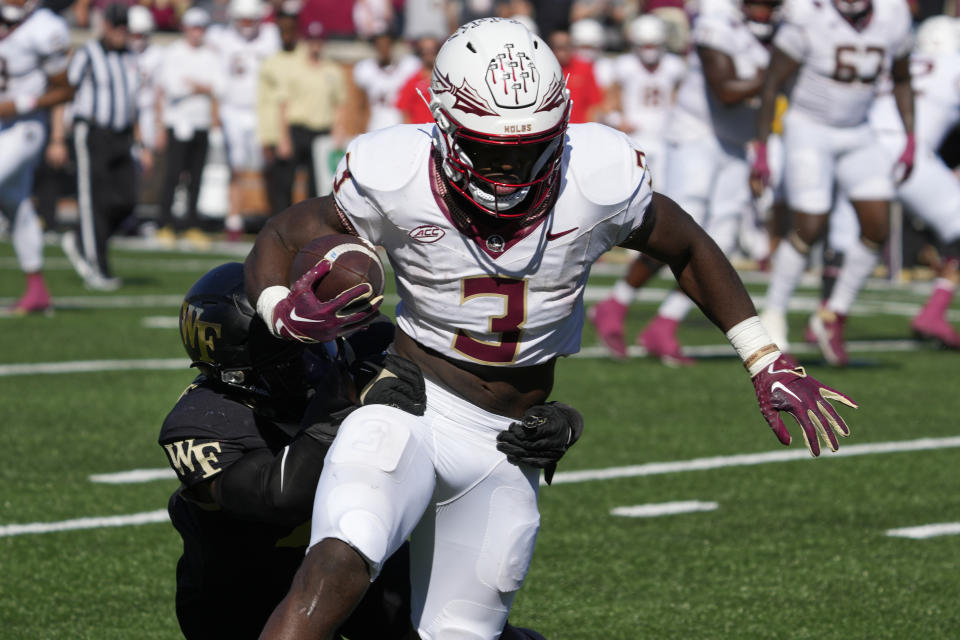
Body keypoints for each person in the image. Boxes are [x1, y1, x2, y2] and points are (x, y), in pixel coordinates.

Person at [244, 18, 858, 639]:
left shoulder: (595, 175)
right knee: (334, 569)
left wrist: (762, 356)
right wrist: (276, 308)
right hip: (408, 405)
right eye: (488, 145)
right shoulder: (396, 174)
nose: (510, 165)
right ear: (445, 126)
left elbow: (689, 245)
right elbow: (280, 231)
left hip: (511, 444)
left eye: (530, 144)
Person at [161, 261, 561, 639]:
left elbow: (463, 387)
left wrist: (536, 416)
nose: (315, 359)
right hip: (242, 592)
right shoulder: (201, 422)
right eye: (292, 356)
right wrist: (339, 407)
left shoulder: (360, 346)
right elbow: (280, 496)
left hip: (355, 560)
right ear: (235, 372)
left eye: (316, 343)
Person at [589, 0, 782, 362]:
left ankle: (665, 323)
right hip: (697, 135)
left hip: (737, 141)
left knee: (720, 241)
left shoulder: (788, 28)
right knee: (678, 228)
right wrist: (784, 69)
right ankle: (616, 303)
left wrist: (762, 145)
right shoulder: (718, 20)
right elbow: (725, 89)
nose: (763, 9)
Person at [751, 0, 915, 365]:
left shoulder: (893, 14)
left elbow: (903, 76)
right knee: (810, 223)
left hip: (858, 130)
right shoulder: (808, 14)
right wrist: (761, 146)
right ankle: (774, 312)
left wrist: (911, 137)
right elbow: (773, 82)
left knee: (877, 224)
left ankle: (833, 315)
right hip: (808, 127)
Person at [61, 3, 150, 292]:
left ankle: (78, 240)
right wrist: (55, 136)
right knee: (94, 203)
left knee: (126, 201)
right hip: (93, 132)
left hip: (122, 135)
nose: (122, 33)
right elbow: (63, 91)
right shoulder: (88, 53)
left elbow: (134, 102)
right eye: (118, 27)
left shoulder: (129, 58)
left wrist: (141, 141)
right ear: (106, 26)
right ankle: (96, 267)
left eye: (126, 28)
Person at [0, 0, 72, 314]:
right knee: (15, 203)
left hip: (24, 127)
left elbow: (65, 90)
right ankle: (37, 291)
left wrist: (20, 104)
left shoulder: (45, 27)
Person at [257, 12, 348, 214]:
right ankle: (282, 224)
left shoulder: (333, 71)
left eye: (319, 40)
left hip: (321, 131)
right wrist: (283, 137)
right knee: (285, 181)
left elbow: (339, 104)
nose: (315, 45)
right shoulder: (294, 68)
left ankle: (313, 227)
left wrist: (338, 130)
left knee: (317, 186)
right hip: (296, 129)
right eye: (312, 40)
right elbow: (282, 104)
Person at [206, 0, 280, 240]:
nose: (247, 25)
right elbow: (217, 77)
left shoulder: (270, 36)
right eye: (243, 20)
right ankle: (234, 219)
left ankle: (271, 217)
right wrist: (216, 111)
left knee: (267, 163)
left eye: (251, 19)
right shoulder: (222, 37)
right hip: (233, 110)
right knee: (235, 167)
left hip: (261, 110)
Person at [155, 7, 224, 249]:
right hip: (179, 123)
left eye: (201, 28)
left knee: (196, 176)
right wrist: (202, 87)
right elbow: (173, 87)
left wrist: (195, 86)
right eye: (194, 27)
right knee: (173, 175)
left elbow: (220, 85)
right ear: (185, 28)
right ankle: (165, 223)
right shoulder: (173, 52)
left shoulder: (211, 55)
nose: (198, 33)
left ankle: (191, 224)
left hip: (200, 122)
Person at [352, 30, 421, 132]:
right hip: (375, 126)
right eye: (379, 45)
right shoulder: (365, 69)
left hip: (400, 125)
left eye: (386, 44)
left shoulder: (408, 66)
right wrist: (359, 127)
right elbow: (360, 104)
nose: (383, 48)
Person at [394, 35, 441, 125]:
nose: (429, 54)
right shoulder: (412, 82)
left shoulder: (446, 80)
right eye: (424, 51)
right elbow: (404, 111)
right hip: (420, 133)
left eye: (433, 50)